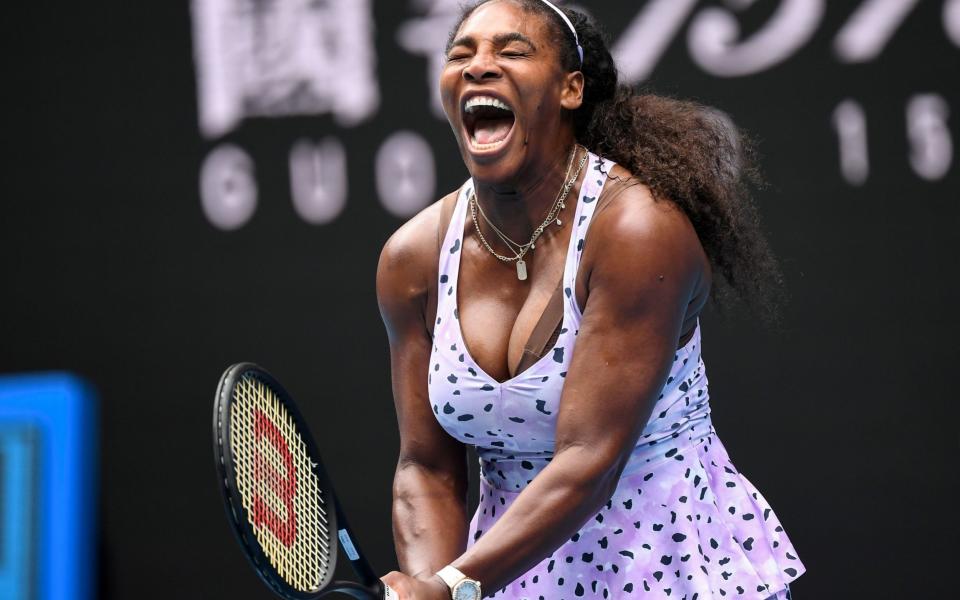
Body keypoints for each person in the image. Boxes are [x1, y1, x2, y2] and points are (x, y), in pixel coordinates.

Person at [375, 1, 805, 598]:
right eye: (461, 54)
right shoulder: (412, 259)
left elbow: (589, 458)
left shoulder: (637, 231)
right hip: (507, 574)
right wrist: (428, 582)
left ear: (570, 88)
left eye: (512, 51)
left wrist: (451, 586)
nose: (479, 67)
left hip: (668, 567)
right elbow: (427, 466)